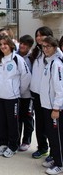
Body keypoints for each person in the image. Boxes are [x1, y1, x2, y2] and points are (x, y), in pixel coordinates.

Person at [0, 35, 31, 158]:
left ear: (10, 45)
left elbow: (26, 77)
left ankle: (13, 146)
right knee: (0, 121)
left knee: (12, 123)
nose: (3, 46)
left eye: (5, 43)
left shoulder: (17, 59)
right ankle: (3, 143)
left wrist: (18, 90)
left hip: (12, 97)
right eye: (1, 44)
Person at [40, 36, 63, 175]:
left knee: (57, 137)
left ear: (55, 47)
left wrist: (56, 108)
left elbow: (60, 88)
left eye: (48, 46)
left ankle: (60, 164)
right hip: (47, 106)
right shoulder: (49, 62)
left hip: (54, 108)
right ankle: (55, 158)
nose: (45, 49)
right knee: (51, 136)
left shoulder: (57, 64)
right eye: (43, 46)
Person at [30, 26, 53, 159]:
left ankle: (54, 151)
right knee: (40, 124)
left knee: (50, 125)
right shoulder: (37, 52)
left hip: (49, 96)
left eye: (42, 35)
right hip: (37, 94)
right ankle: (42, 148)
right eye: (37, 35)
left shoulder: (55, 54)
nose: (38, 38)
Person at [17, 35, 34, 151]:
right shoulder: (14, 56)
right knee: (17, 118)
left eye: (25, 44)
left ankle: (26, 140)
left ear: (29, 46)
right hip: (16, 94)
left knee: (27, 118)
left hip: (28, 95)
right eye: (21, 43)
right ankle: (16, 140)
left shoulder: (33, 58)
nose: (22, 46)